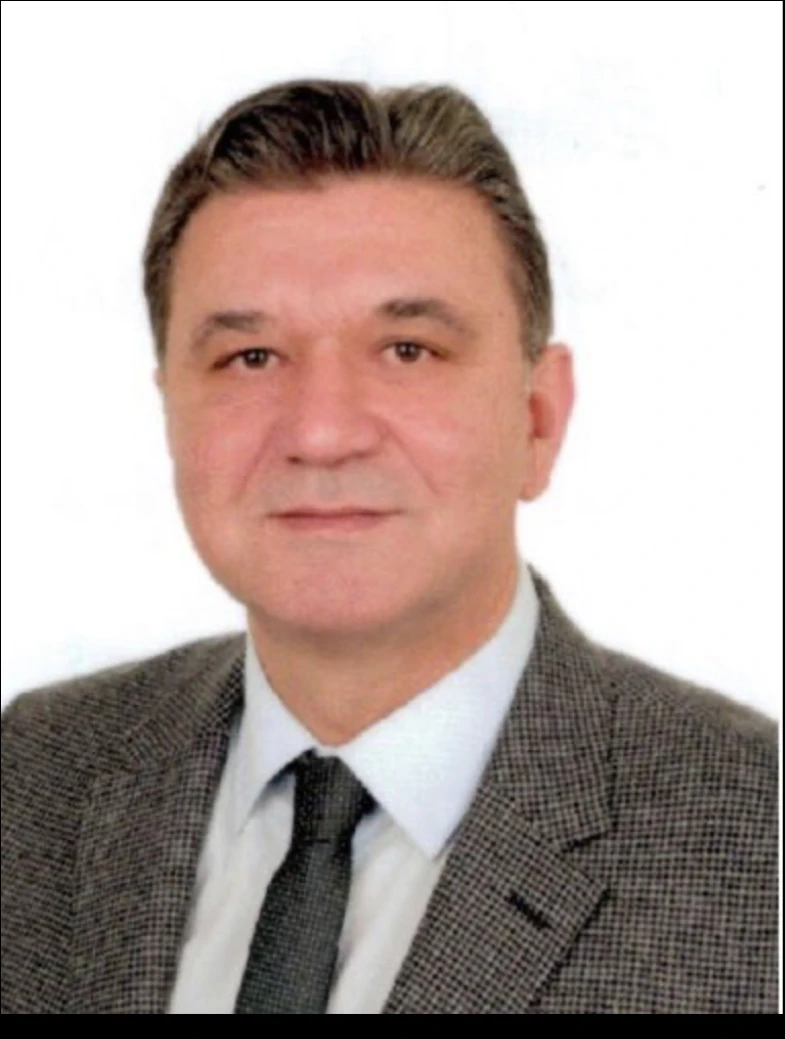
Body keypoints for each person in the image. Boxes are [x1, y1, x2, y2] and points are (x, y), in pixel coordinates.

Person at [0, 79, 777, 1016]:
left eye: (407, 349)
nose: (321, 432)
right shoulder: (34, 773)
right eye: (250, 357)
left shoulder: (753, 832)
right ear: (170, 412)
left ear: (537, 418)